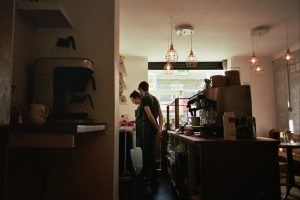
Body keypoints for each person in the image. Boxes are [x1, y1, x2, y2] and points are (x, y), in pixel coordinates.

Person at [137, 81, 163, 187]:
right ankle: (147, 176)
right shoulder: (155, 98)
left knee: (148, 154)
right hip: (152, 129)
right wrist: (159, 128)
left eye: (139, 91)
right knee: (149, 152)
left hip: (147, 129)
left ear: (141, 90)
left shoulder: (144, 99)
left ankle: (153, 179)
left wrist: (157, 128)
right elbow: (161, 115)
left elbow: (149, 115)